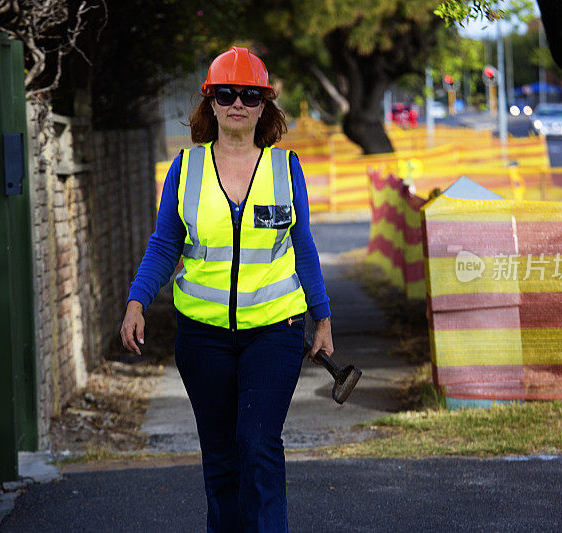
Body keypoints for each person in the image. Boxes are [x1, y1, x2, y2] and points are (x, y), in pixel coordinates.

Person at [119, 46, 334, 532]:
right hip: (202, 336)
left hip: (274, 330)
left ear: (266, 106)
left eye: (250, 95)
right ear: (209, 103)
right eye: (226, 94)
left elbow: (303, 245)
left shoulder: (286, 168)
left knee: (258, 444)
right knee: (220, 457)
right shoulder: (185, 168)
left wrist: (322, 319)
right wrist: (137, 301)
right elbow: (164, 244)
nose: (238, 103)